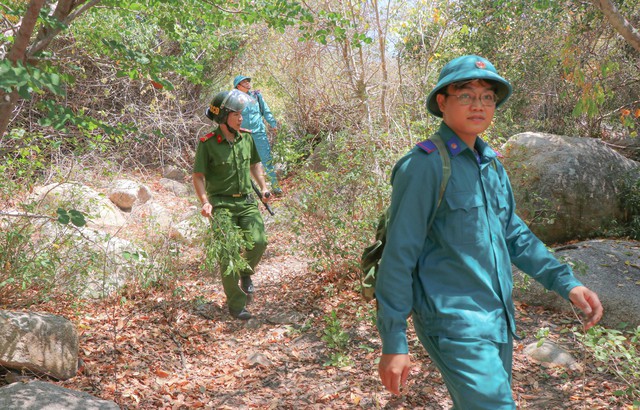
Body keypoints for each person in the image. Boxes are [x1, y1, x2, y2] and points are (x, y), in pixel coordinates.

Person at [375, 55, 603, 409]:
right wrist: (393, 341)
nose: (478, 105)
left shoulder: (491, 165)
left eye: (487, 97)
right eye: (465, 95)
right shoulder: (423, 166)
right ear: (442, 102)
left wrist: (567, 283)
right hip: (454, 323)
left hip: (498, 322)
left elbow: (515, 235)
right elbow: (398, 255)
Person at [193, 89, 272, 320]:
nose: (241, 118)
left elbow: (255, 165)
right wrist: (205, 202)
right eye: (236, 114)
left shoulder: (246, 137)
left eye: (241, 114)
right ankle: (236, 305)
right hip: (221, 205)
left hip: (247, 201)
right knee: (227, 253)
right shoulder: (207, 143)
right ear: (223, 117)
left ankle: (245, 273)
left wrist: (264, 187)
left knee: (259, 241)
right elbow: (198, 176)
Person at [233, 75, 282, 195]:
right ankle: (245, 190)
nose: (247, 83)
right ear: (238, 86)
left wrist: (273, 124)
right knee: (243, 161)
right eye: (244, 82)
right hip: (242, 134)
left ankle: (275, 187)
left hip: (259, 132)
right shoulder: (234, 99)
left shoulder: (256, 95)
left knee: (266, 159)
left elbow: (265, 111)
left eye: (247, 81)